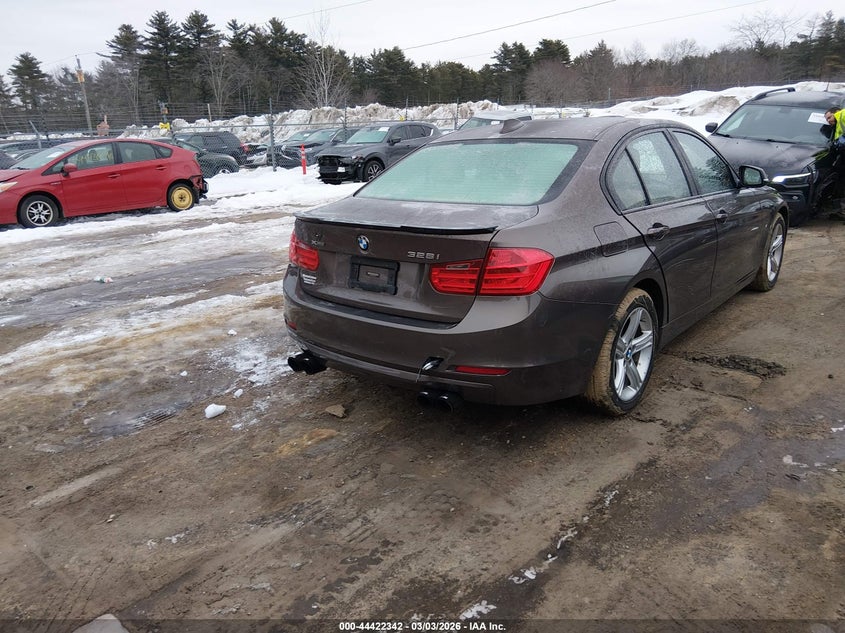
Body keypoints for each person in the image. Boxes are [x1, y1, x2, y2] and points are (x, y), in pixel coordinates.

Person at [824, 107, 845, 220]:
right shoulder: (837, 124)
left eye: (829, 117)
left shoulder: (842, 115)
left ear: (836, 113)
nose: (829, 121)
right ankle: (839, 211)